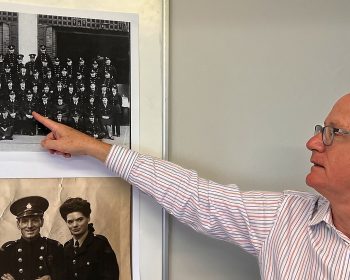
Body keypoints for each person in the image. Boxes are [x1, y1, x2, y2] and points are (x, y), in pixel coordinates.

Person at [32, 92, 350, 279]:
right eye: (321, 129)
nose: (312, 142)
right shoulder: (286, 216)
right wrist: (94, 148)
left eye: (333, 133)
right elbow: (195, 198)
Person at [1, 196, 64, 280]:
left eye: (34, 220)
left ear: (42, 222)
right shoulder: (8, 251)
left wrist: (51, 278)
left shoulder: (54, 248)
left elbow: (65, 275)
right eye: (24, 221)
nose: (30, 226)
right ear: (18, 224)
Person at [59, 197, 119, 280]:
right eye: (70, 221)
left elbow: (111, 277)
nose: (75, 225)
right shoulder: (67, 248)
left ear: (88, 218)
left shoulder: (100, 244)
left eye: (79, 220)